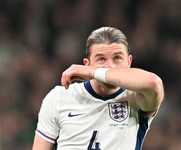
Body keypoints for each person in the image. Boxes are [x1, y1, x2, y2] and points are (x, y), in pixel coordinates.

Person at [32, 27, 164, 150]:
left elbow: (154, 83)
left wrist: (95, 73)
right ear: (87, 64)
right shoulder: (59, 97)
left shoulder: (137, 98)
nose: (110, 66)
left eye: (117, 58)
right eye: (101, 59)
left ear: (129, 62)